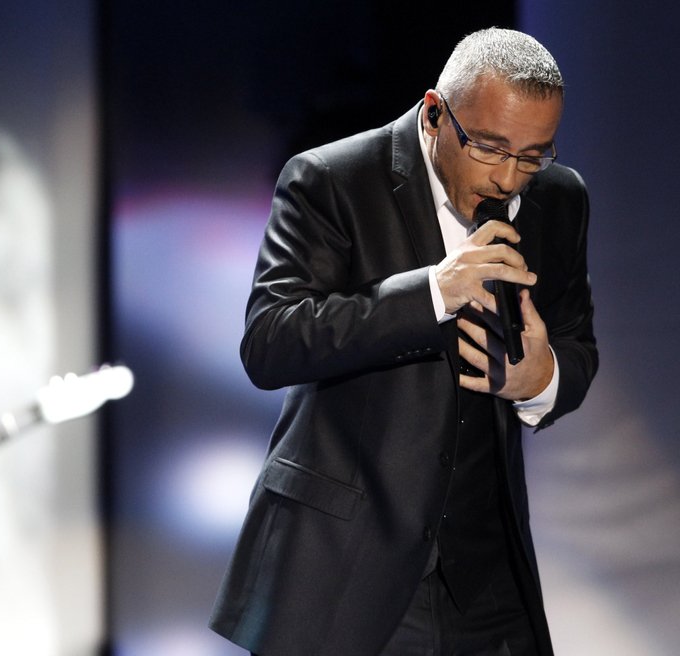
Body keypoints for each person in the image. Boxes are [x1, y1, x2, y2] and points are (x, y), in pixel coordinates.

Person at [210, 28, 597, 655]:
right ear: (436, 113)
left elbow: (577, 344)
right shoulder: (332, 180)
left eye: (533, 156)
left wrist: (542, 379)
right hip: (344, 567)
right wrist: (433, 292)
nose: (509, 178)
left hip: (486, 576)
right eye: (490, 148)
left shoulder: (561, 199)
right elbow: (270, 341)